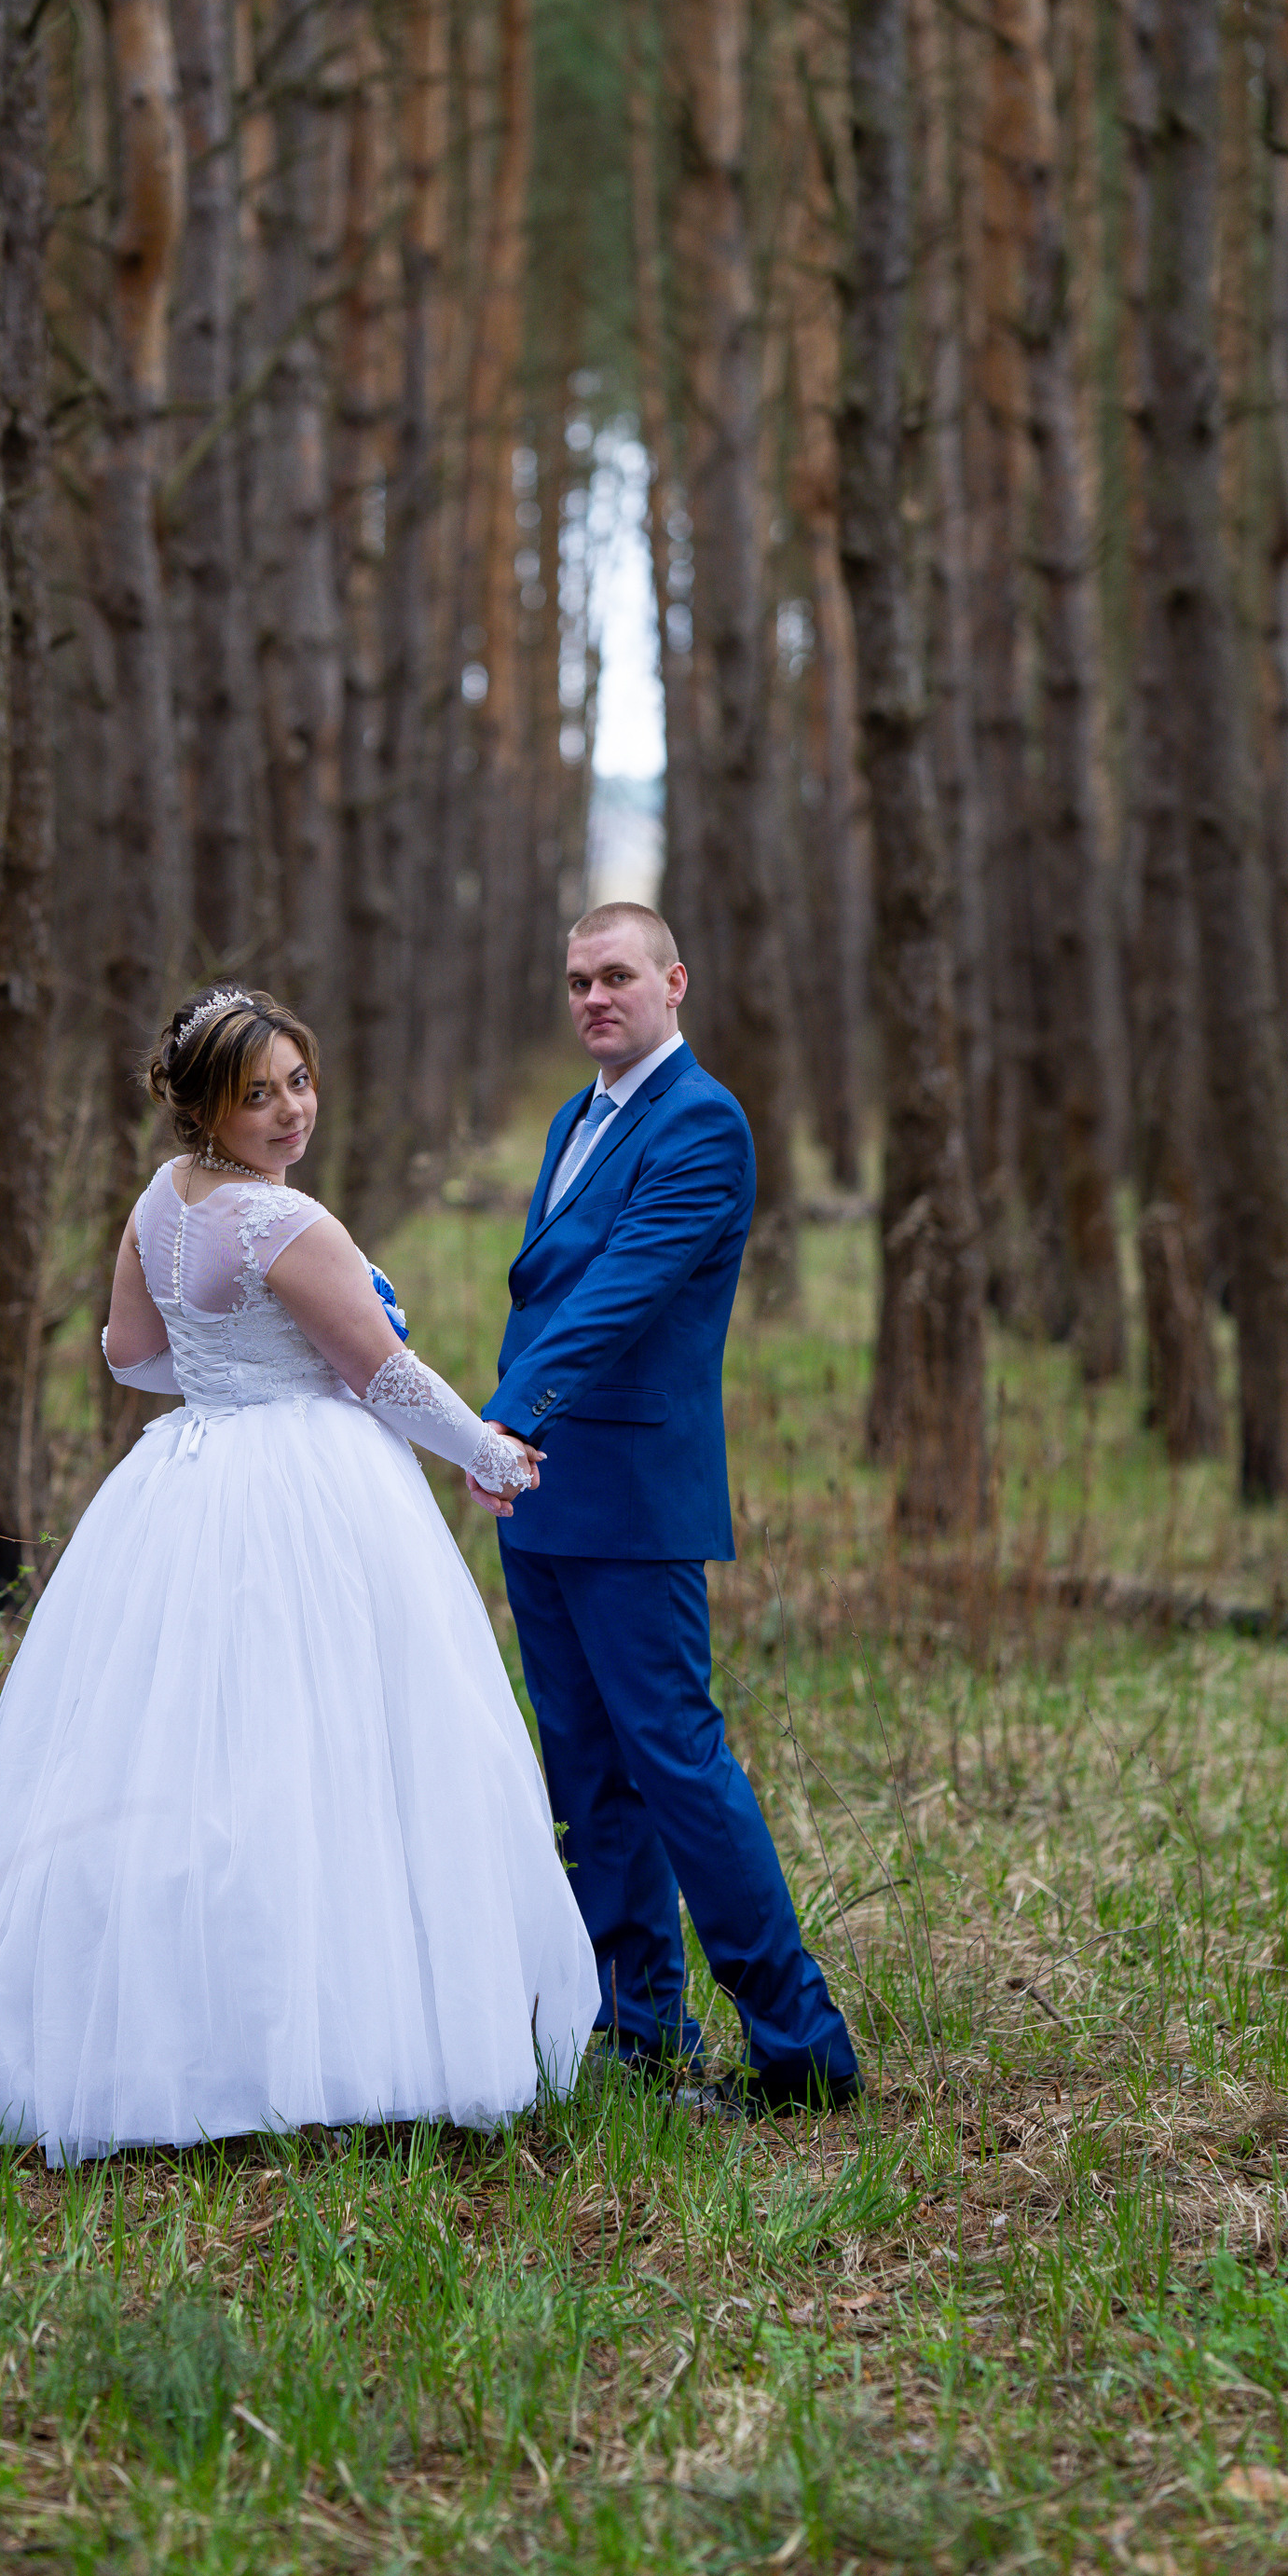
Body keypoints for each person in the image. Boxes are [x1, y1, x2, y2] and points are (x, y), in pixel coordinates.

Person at [0, 985, 597, 2166]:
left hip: (187, 1473)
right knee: (326, 1747)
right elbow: (382, 1372)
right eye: (257, 1093)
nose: (288, 1112)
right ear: (204, 1106)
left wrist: (232, 1365)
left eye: (299, 1082)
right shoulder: (287, 1222)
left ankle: (174, 2032)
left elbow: (131, 1354)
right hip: (306, 1488)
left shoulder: (160, 1200)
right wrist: (490, 1453)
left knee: (179, 1746)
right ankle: (337, 2045)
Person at [478, 902, 861, 2117]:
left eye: (618, 977)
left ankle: (802, 2051)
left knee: (677, 1766)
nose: (596, 997)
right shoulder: (571, 1120)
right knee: (585, 1777)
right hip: (538, 1500)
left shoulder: (702, 1124)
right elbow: (543, 1287)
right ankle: (640, 2036)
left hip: (628, 1499)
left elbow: (623, 1292)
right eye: (579, 980)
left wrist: (509, 1416)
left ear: (674, 983)